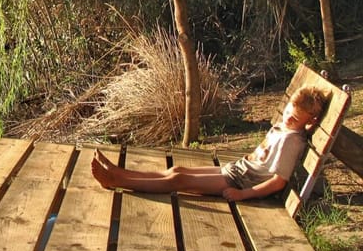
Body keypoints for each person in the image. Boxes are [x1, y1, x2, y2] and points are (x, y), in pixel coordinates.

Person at [90, 86, 327, 202]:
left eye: (294, 118)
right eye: (288, 112)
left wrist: (242, 195)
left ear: (309, 121)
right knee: (177, 170)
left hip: (240, 181)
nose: (287, 118)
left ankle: (117, 181)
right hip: (238, 170)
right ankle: (120, 173)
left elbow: (278, 181)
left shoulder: (292, 141)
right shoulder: (286, 129)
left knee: (179, 180)